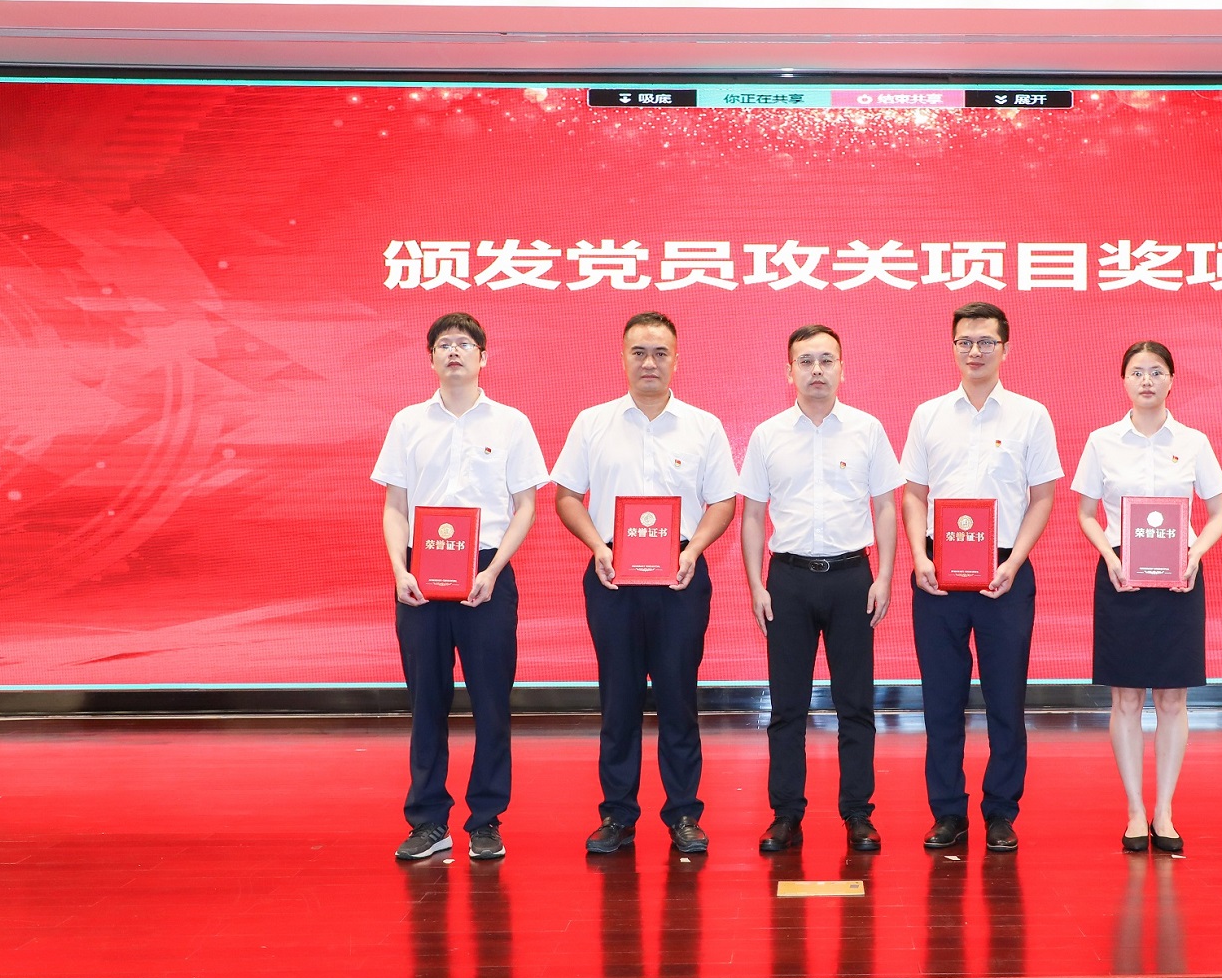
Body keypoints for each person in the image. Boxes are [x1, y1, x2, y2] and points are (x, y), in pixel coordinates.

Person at [553, 311, 738, 856]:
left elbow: (723, 501)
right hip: (612, 575)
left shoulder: (703, 426)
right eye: (639, 352)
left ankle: (684, 814)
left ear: (677, 359)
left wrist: (694, 550)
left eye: (660, 352)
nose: (649, 362)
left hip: (680, 576)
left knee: (679, 699)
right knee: (619, 700)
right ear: (623, 358)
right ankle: (617, 814)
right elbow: (567, 496)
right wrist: (598, 547)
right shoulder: (592, 423)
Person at [373, 311, 548, 863]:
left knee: (492, 703)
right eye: (444, 344)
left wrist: (493, 572)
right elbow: (395, 506)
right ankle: (428, 821)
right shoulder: (408, 423)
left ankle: (486, 820)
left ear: (483, 357)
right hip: (419, 576)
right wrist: (399, 570)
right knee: (426, 702)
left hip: (487, 572)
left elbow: (526, 505)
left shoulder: (511, 423)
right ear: (430, 358)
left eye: (465, 344)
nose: (454, 351)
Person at [901, 301, 1064, 854]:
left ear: (1005, 348)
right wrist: (919, 557)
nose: (975, 351)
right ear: (952, 348)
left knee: (1005, 701)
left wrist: (1014, 562)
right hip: (937, 574)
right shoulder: (928, 415)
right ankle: (948, 812)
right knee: (941, 701)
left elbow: (1042, 497)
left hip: (1005, 572)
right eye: (965, 341)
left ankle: (1000, 812)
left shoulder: (1030, 415)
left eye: (986, 342)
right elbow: (914, 493)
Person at [738, 324, 905, 855]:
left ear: (842, 368)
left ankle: (858, 813)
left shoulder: (867, 430)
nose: (816, 370)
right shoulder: (767, 435)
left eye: (826, 360)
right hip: (786, 580)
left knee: (855, 704)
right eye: (805, 361)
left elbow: (885, 506)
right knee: (787, 707)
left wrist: (884, 576)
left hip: (852, 578)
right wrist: (756, 585)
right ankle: (786, 814)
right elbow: (752, 515)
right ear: (788, 371)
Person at [1071, 340, 1222, 856]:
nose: (1146, 380)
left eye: (1156, 372)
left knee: (1172, 698)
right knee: (1125, 698)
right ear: (1123, 380)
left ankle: (1164, 810)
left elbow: (1218, 513)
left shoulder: (1194, 442)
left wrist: (1195, 554)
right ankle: (1135, 811)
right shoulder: (1101, 441)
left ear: (1171, 380)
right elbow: (1086, 513)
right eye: (1137, 372)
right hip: (1122, 575)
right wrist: (1110, 556)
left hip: (1179, 577)